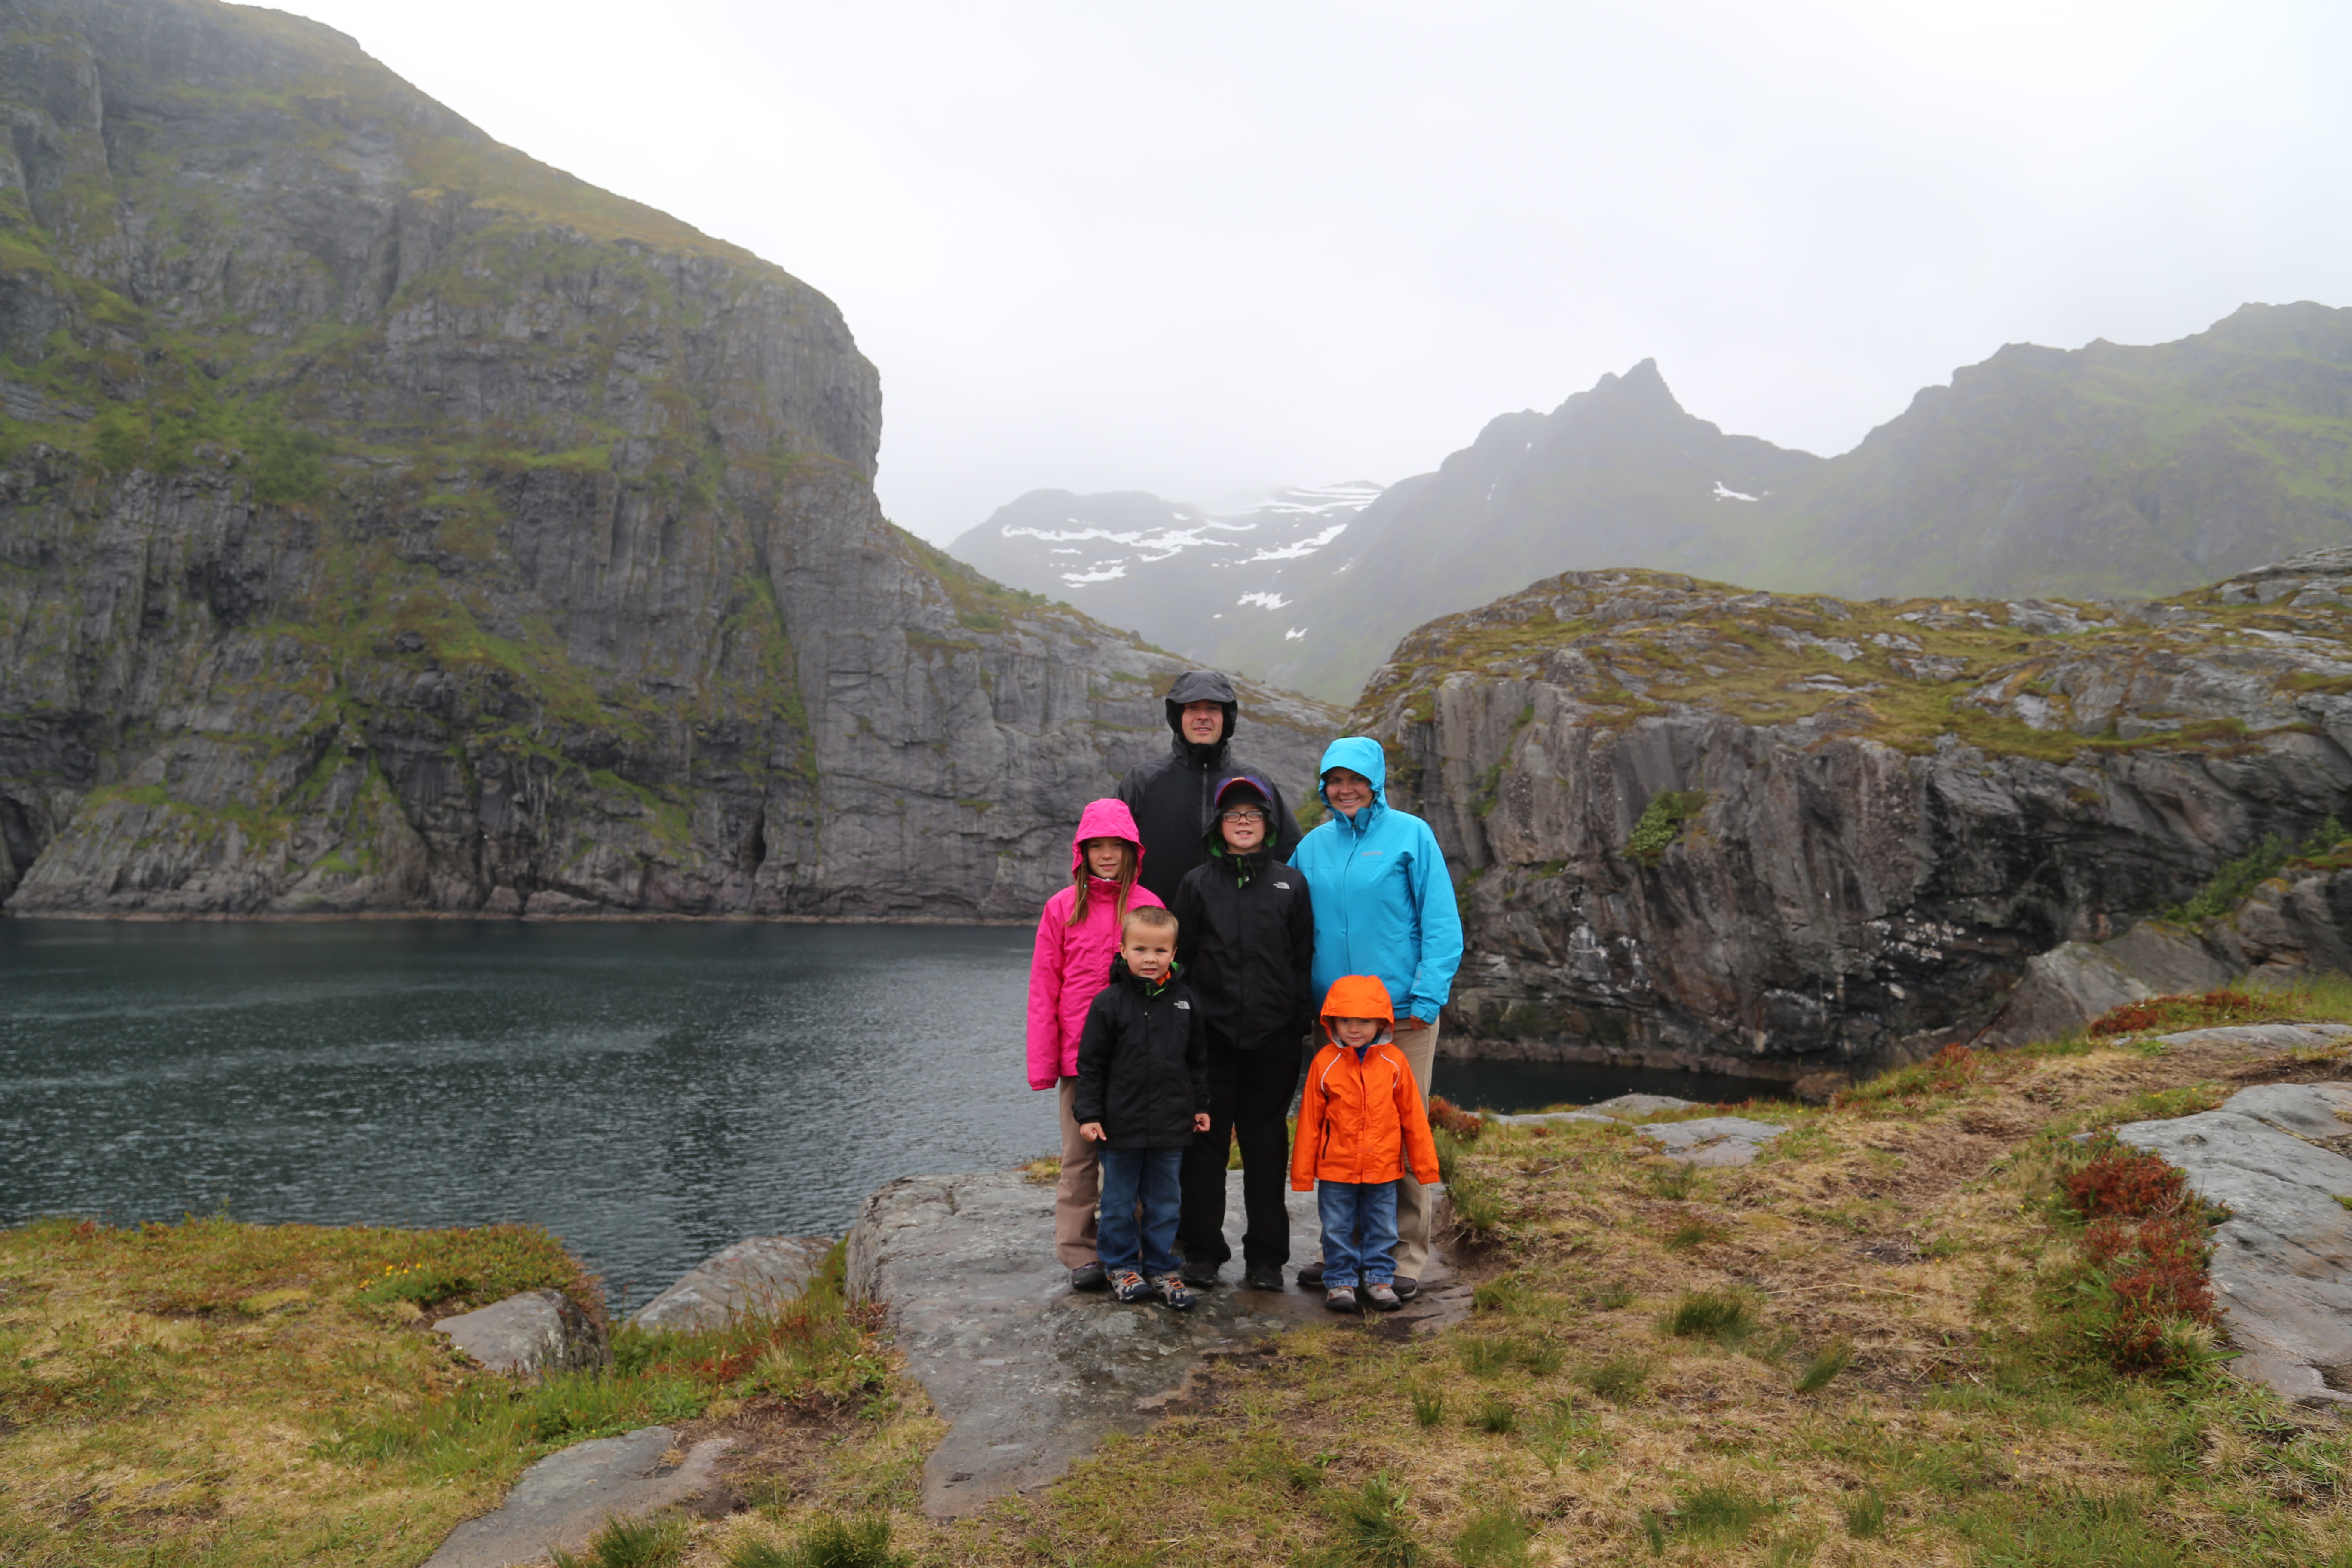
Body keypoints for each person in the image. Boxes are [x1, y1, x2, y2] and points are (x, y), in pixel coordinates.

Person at [1289, 736, 1464, 1299]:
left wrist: (1428, 997)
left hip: (1401, 1018)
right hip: (1333, 1021)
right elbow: (1286, 922)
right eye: (1334, 781)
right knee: (1341, 1135)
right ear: (1324, 786)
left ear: (1375, 781)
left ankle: (1403, 1258)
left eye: (1355, 779)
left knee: (1403, 1135)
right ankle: (1340, 1251)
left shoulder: (1412, 835)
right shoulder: (1312, 846)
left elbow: (1440, 921)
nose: (1345, 790)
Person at [1170, 775, 1316, 1291]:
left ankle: (1267, 1260)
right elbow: (1181, 962)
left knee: (1266, 1145)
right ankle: (1204, 1253)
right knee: (1204, 1145)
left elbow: (1302, 961)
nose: (1244, 823)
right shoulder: (1196, 885)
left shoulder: (1290, 885)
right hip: (1211, 1040)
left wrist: (1298, 1023)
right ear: (1219, 825)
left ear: (1269, 824)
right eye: (1234, 816)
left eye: (1254, 815)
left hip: (1273, 1040)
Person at [1027, 798, 1165, 1292]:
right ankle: (1081, 1253)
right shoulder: (1061, 908)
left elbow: (1166, 988)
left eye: (1117, 846)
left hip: (1137, 1061)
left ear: (1133, 851)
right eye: (1097, 846)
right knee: (1080, 1160)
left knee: (1136, 1157)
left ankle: (1139, 1249)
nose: (1107, 855)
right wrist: (1046, 1065)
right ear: (1081, 852)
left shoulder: (1150, 907)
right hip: (1079, 1060)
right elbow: (1045, 989)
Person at [1073, 905, 1211, 1309]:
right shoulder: (1108, 1003)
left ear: (1174, 952)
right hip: (1121, 1125)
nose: (1150, 959)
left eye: (1160, 951)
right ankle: (1119, 1266)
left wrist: (1200, 1105)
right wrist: (1090, 1114)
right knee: (1117, 1201)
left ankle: (1162, 1268)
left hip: (1172, 1124)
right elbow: (1091, 1066)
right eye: (1140, 949)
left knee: (1166, 1201)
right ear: (1122, 950)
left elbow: (1197, 1060)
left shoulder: (1186, 1001)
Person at [1290, 974, 1441, 1314]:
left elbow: (1414, 1120)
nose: (1354, 1029)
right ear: (1332, 1023)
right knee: (1337, 1228)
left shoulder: (1395, 1063)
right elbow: (1310, 1122)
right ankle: (1340, 1281)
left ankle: (1379, 1279)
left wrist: (1426, 1166)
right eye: (1345, 1020)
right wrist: (1302, 1174)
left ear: (1383, 1023)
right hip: (1336, 1171)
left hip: (1383, 1170)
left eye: (1364, 1021)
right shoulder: (1323, 1063)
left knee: (1382, 1227)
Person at [1117, 670, 1305, 907]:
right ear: (1178, 717)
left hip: (1236, 936)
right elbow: (1111, 855)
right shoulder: (1141, 781)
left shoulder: (1255, 782)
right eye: (1192, 707)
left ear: (1227, 717)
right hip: (1158, 935)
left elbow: (1290, 856)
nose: (1203, 716)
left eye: (1213, 708)